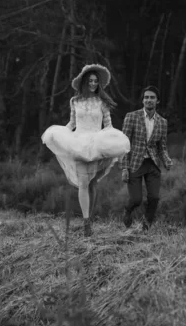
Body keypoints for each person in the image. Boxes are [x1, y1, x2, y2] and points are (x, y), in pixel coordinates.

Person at [41, 64, 130, 237]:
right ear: (84, 82)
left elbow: (108, 125)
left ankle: (90, 215)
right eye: (90, 81)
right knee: (83, 183)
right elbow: (72, 123)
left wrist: (110, 140)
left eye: (96, 81)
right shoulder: (75, 101)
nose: (93, 84)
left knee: (92, 183)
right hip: (78, 143)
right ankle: (86, 223)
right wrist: (59, 135)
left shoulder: (102, 102)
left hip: (96, 143)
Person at [120, 85, 173, 231]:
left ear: (158, 101)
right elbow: (124, 144)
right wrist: (124, 167)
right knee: (136, 199)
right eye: (146, 97)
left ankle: (146, 226)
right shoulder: (131, 117)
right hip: (135, 163)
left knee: (154, 198)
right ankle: (127, 210)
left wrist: (167, 160)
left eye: (152, 97)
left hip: (153, 164)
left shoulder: (162, 122)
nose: (149, 100)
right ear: (143, 100)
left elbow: (162, 147)